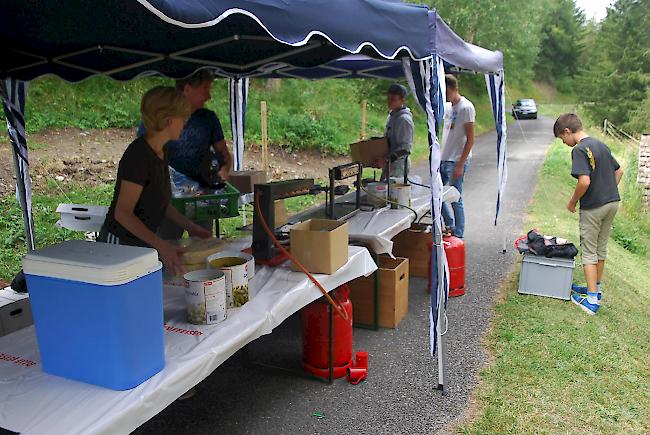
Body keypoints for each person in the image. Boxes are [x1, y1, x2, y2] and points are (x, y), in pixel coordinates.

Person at [99, 86, 211, 276]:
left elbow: (162, 203)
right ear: (168, 120)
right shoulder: (139, 156)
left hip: (141, 245)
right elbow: (123, 213)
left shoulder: (162, 151)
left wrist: (192, 228)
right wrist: (162, 246)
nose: (184, 125)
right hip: (119, 245)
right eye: (182, 120)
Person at [138, 70, 234, 239]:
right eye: (205, 89)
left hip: (201, 199)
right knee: (166, 245)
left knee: (202, 247)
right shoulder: (157, 121)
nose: (209, 96)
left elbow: (224, 154)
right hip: (168, 200)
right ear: (188, 89)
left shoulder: (208, 119)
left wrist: (224, 169)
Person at [554, 113, 623, 315]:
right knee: (600, 249)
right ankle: (595, 289)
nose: (564, 143)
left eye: (561, 138)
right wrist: (606, 191)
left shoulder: (580, 149)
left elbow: (584, 181)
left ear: (567, 131)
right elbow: (618, 171)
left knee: (589, 251)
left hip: (593, 208)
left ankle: (592, 301)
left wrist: (572, 201)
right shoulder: (600, 144)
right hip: (612, 203)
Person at [440, 74, 475, 239]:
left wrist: (461, 163)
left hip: (457, 160)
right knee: (436, 195)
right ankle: (449, 225)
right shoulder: (448, 107)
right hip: (444, 158)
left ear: (454, 89)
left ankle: (459, 233)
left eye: (446, 91)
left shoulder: (466, 108)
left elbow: (470, 138)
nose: (445, 95)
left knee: (455, 197)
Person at [375, 83, 414, 180]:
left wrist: (387, 159)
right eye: (388, 99)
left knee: (393, 194)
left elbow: (405, 148)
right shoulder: (392, 116)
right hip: (389, 165)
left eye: (393, 99)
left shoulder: (404, 120)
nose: (389, 102)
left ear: (402, 100)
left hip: (398, 167)